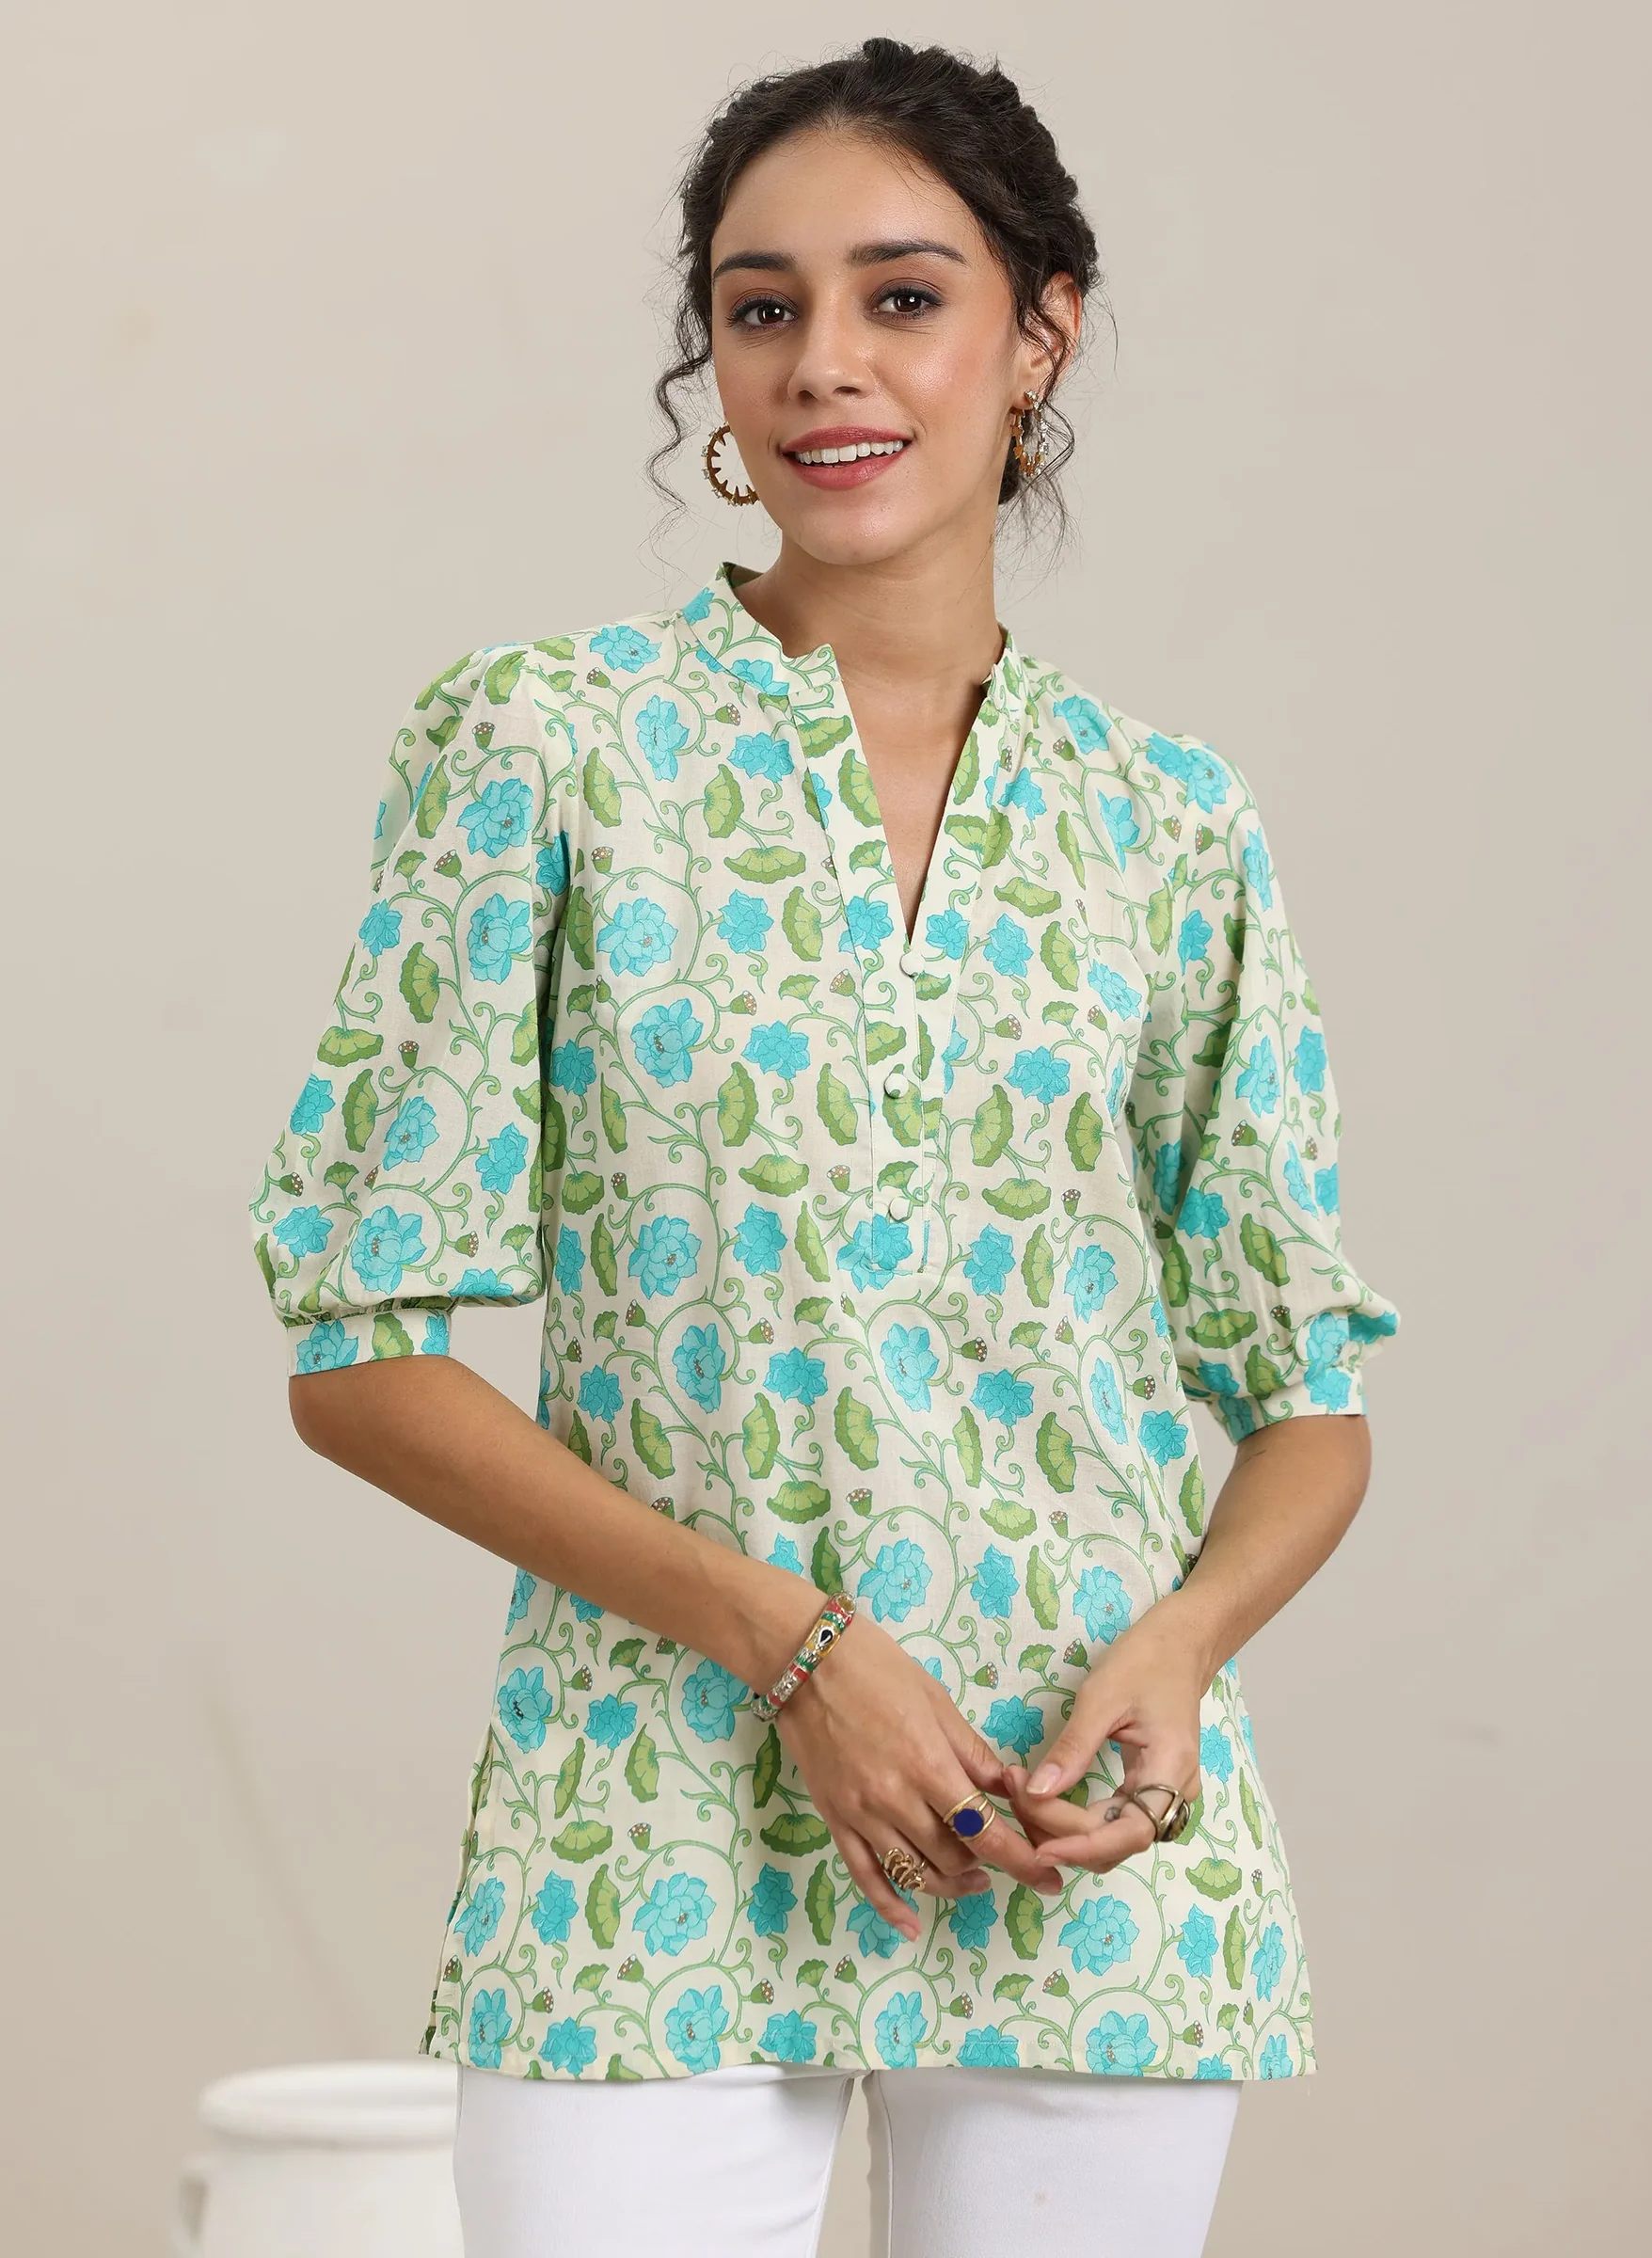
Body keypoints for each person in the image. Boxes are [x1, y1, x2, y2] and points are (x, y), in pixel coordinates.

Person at [247, 36, 1399, 2258]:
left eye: (904, 296)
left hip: (1079, 1832)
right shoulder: (546, 747)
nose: (823, 365)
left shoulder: (1168, 823)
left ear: (1042, 332)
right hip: (648, 1825)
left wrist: (1180, 1650)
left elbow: (1309, 1396)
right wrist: (790, 1647)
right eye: (760, 306)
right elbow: (356, 1354)